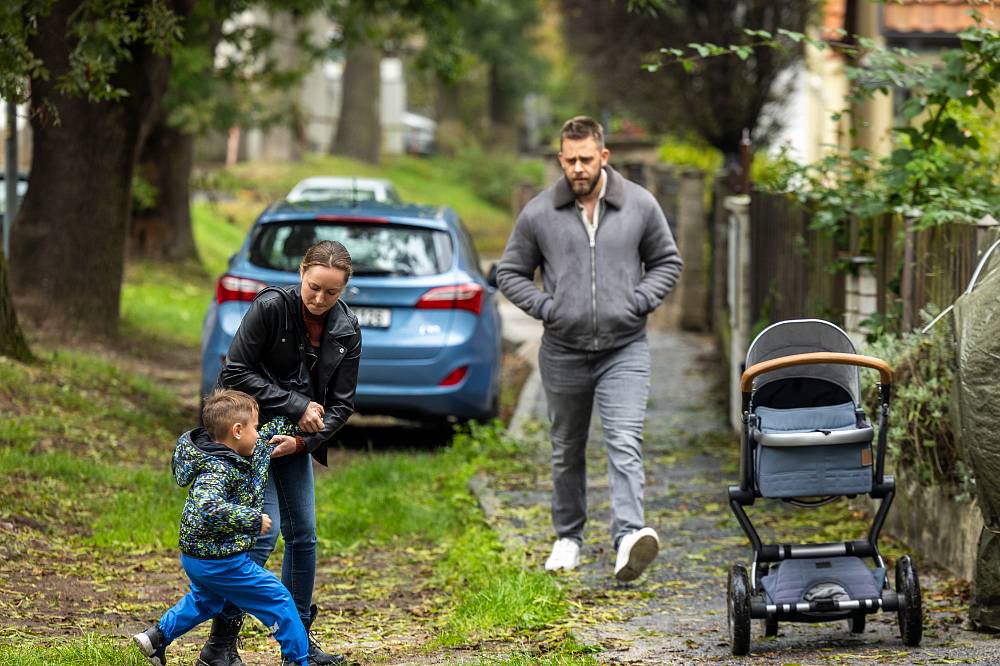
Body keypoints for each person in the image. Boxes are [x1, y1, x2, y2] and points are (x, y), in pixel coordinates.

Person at [497, 116, 683, 582]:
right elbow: (510, 272)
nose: (578, 168)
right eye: (570, 160)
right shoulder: (540, 213)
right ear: (561, 159)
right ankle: (568, 537)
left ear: (604, 156)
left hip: (625, 348)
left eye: (586, 159)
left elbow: (667, 261)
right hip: (563, 350)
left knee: (624, 441)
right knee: (566, 448)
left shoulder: (639, 205)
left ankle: (627, 538)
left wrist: (637, 302)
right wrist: (547, 307)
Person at [202, 240, 361, 666]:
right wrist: (296, 405)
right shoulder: (272, 307)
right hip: (247, 436)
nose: (320, 299)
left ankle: (299, 643)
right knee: (262, 534)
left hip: (292, 443)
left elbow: (342, 404)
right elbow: (234, 370)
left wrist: (304, 442)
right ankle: (219, 644)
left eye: (332, 292)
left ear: (344, 289)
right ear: (301, 273)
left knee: (304, 536)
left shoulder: (346, 328)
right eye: (314, 287)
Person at [132, 389, 310, 666]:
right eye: (255, 426)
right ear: (237, 430)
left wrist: (305, 415)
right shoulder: (216, 468)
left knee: (207, 601)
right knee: (279, 600)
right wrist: (251, 519)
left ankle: (155, 638)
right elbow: (208, 507)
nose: (259, 432)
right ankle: (300, 660)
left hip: (201, 558)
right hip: (219, 559)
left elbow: (272, 431)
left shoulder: (247, 448)